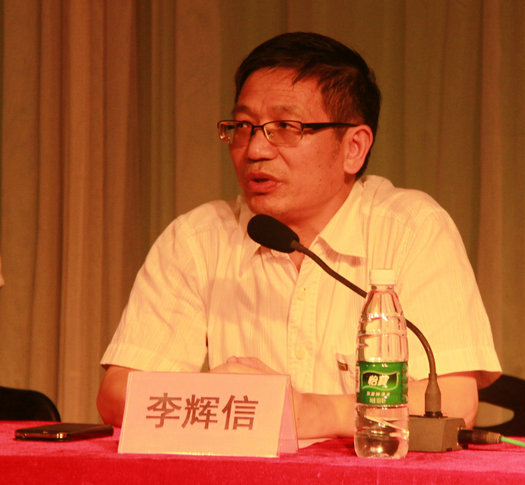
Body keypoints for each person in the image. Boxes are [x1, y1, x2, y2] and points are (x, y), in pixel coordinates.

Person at [97, 32, 501, 438]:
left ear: (354, 148)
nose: (255, 149)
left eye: (285, 127)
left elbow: (454, 402)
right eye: (244, 126)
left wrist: (311, 412)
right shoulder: (196, 240)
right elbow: (116, 396)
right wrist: (220, 400)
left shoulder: (410, 230)